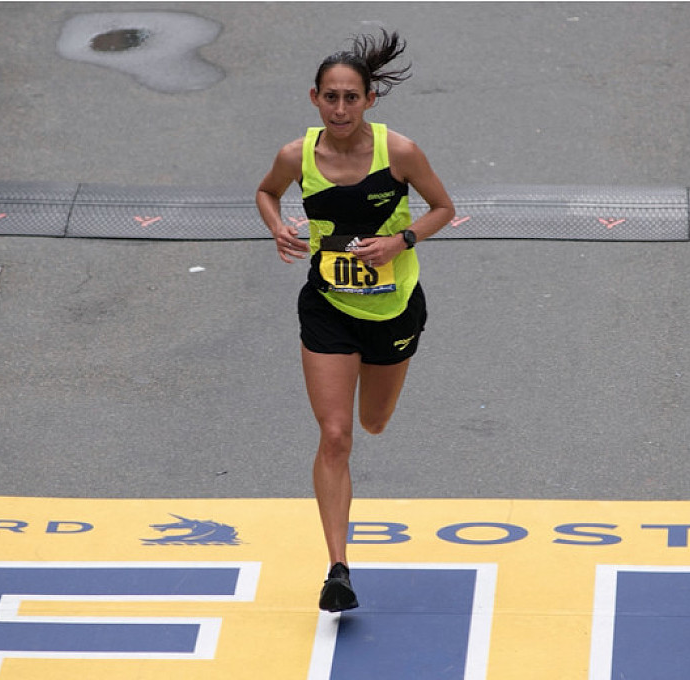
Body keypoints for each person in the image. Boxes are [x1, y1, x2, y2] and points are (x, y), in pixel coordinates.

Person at [255, 29, 455, 612]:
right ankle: (338, 570)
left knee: (373, 422)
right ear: (314, 99)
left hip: (393, 309)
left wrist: (400, 241)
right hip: (328, 307)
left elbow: (444, 208)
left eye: (350, 97)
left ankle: (374, 408)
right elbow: (266, 193)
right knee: (336, 434)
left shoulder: (401, 153)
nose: (340, 109)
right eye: (330, 97)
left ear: (369, 99)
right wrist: (277, 227)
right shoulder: (296, 157)